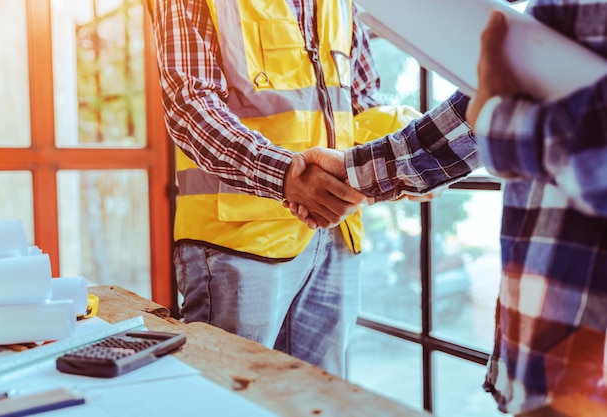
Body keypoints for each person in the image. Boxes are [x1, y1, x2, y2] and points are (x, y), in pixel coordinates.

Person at [289, 1, 607, 415]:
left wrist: (498, 118)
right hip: (552, 354)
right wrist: (353, 172)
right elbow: (482, 108)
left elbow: (498, 113)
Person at [150, 0, 399, 377]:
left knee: (318, 399)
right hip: (240, 242)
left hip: (336, 235)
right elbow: (191, 107)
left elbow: (362, 104)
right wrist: (288, 176)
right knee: (231, 399)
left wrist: (404, 162)